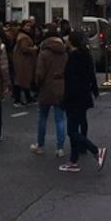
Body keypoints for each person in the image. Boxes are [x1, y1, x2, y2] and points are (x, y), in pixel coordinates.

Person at [59, 30, 105, 173]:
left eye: (68, 38)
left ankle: (96, 151)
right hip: (83, 96)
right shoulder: (85, 55)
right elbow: (91, 74)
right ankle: (73, 160)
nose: (65, 40)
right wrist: (95, 90)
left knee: (72, 131)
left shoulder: (74, 57)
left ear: (72, 41)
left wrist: (65, 99)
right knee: (77, 127)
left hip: (74, 98)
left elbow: (72, 81)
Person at [30, 24, 68, 158]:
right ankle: (60, 148)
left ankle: (40, 145)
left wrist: (37, 85)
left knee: (42, 117)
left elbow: (39, 73)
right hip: (61, 86)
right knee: (60, 119)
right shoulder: (64, 52)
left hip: (46, 86)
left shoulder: (44, 52)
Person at [12, 20, 38, 105]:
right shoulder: (24, 37)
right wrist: (34, 49)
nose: (29, 28)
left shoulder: (22, 35)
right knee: (22, 79)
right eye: (27, 26)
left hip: (21, 60)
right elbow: (24, 49)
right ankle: (20, 99)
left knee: (22, 79)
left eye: (30, 26)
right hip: (24, 61)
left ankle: (24, 98)